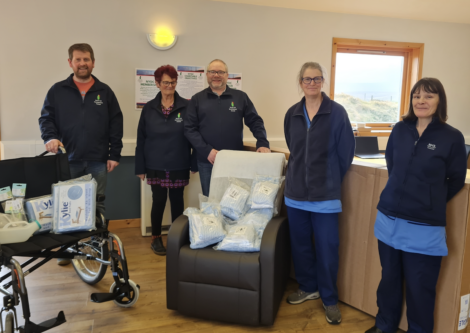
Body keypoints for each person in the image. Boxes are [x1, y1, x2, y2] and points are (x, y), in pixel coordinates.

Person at [365, 78, 467, 333]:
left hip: (424, 226)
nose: (421, 101)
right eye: (417, 96)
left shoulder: (452, 137)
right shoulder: (400, 129)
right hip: (389, 219)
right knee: (388, 280)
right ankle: (384, 325)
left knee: (420, 287)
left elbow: (455, 179)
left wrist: (429, 198)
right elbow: (392, 164)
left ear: (440, 101)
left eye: (429, 96)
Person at [283, 62, 355, 325]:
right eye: (307, 79)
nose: (311, 83)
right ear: (300, 82)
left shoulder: (337, 113)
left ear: (323, 81)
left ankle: (329, 299)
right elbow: (294, 148)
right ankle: (307, 286)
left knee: (327, 249)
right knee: (300, 246)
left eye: (316, 79)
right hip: (295, 195)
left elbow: (346, 152)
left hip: (325, 196)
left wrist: (329, 177)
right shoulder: (292, 113)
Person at [39, 43, 123, 265]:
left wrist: (115, 154)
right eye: (78, 59)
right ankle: (68, 249)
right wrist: (50, 138)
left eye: (86, 59)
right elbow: (46, 118)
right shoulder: (57, 90)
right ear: (70, 63)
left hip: (98, 160)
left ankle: (97, 243)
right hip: (68, 160)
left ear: (93, 62)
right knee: (67, 207)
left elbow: (116, 124)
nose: (82, 63)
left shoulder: (105, 92)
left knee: (97, 204)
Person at [184, 59, 270, 196]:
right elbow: (189, 129)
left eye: (220, 72)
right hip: (207, 161)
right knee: (211, 200)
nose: (216, 75)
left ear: (227, 75)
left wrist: (262, 142)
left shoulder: (240, 97)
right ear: (207, 75)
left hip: (234, 159)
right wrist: (207, 151)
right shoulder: (197, 99)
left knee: (234, 201)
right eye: (212, 71)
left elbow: (255, 121)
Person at [135, 65, 197, 256]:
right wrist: (140, 167)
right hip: (154, 164)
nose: (169, 85)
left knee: (178, 201)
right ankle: (155, 239)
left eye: (172, 82)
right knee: (159, 200)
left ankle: (176, 238)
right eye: (165, 82)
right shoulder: (149, 108)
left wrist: (194, 162)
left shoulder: (187, 107)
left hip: (179, 162)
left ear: (176, 82)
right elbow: (141, 138)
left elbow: (195, 135)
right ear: (157, 83)